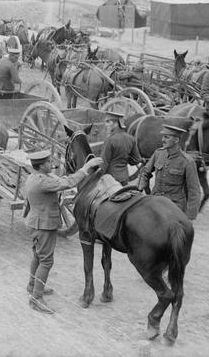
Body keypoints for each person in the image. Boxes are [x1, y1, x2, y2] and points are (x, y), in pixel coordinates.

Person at [22, 149, 104, 314]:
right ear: (41, 165)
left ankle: (33, 285)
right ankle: (36, 298)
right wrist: (87, 166)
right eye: (47, 163)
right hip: (43, 225)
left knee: (38, 256)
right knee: (46, 261)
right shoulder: (42, 182)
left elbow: (62, 179)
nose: (51, 164)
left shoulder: (35, 177)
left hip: (37, 223)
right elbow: (68, 183)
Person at [137, 124, 202, 220]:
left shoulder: (187, 162)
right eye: (163, 136)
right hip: (155, 201)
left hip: (174, 207)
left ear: (176, 140)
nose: (163, 140)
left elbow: (194, 191)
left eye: (167, 137)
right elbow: (145, 172)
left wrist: (190, 217)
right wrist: (140, 187)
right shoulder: (158, 153)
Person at [99, 111, 142, 186]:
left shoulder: (110, 140)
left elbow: (103, 163)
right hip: (124, 179)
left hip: (110, 181)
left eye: (108, 122)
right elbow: (137, 160)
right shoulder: (131, 139)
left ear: (116, 123)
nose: (106, 125)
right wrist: (125, 158)